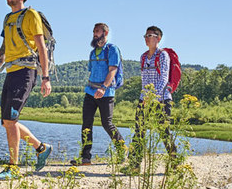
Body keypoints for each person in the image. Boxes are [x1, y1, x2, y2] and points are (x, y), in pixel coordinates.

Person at [0, 0, 52, 180]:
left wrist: (45, 78)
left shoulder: (31, 15)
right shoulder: (7, 18)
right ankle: (41, 148)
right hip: (11, 72)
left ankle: (13, 168)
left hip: (26, 71)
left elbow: (42, 47)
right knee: (7, 122)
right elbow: (4, 48)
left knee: (11, 118)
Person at [71, 23, 126, 166]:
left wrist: (103, 88)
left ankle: (122, 149)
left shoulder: (112, 49)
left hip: (106, 93)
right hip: (90, 92)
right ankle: (85, 158)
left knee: (106, 123)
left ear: (105, 33)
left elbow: (112, 70)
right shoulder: (92, 52)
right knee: (86, 124)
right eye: (94, 31)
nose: (94, 34)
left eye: (97, 31)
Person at [123, 25, 176, 173]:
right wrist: (144, 97)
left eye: (150, 36)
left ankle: (175, 163)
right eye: (145, 36)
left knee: (164, 131)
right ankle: (134, 165)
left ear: (158, 38)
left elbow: (164, 78)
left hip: (162, 99)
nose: (146, 38)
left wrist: (152, 96)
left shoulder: (163, 55)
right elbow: (143, 80)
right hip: (144, 99)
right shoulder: (143, 57)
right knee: (139, 131)